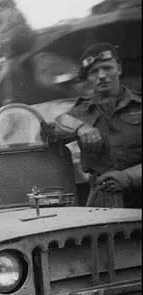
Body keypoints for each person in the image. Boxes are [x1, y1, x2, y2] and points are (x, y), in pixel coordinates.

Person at [56, 43, 141, 208]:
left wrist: (128, 177)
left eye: (107, 68)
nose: (102, 76)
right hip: (105, 200)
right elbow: (55, 126)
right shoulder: (81, 112)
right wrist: (81, 128)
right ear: (88, 78)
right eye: (94, 72)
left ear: (119, 69)